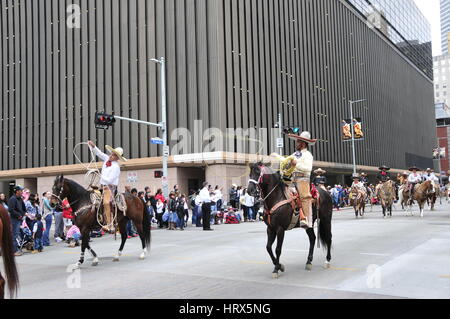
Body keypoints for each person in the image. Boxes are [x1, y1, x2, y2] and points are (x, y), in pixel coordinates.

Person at [88, 140, 127, 233]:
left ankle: (110, 225)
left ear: (117, 158)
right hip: (103, 186)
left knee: (106, 203)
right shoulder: (107, 159)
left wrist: (99, 175)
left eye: (113, 155)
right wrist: (93, 146)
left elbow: (109, 180)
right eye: (111, 153)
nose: (111, 155)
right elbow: (99, 153)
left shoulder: (116, 167)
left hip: (110, 187)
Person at [289, 131, 318, 229]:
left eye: (298, 141)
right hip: (291, 178)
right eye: (297, 141)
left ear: (303, 143)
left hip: (303, 179)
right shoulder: (294, 154)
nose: (296, 143)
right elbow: (289, 164)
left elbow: (308, 168)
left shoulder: (308, 155)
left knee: (304, 197)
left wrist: (296, 163)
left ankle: (307, 220)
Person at [8, 185, 26, 256]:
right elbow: (11, 209)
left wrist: (24, 213)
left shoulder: (20, 199)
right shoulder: (12, 199)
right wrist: (19, 215)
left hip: (20, 219)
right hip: (14, 219)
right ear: (17, 191)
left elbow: (23, 208)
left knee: (17, 234)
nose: (22, 192)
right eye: (21, 191)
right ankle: (13, 251)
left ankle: (16, 249)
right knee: (14, 235)